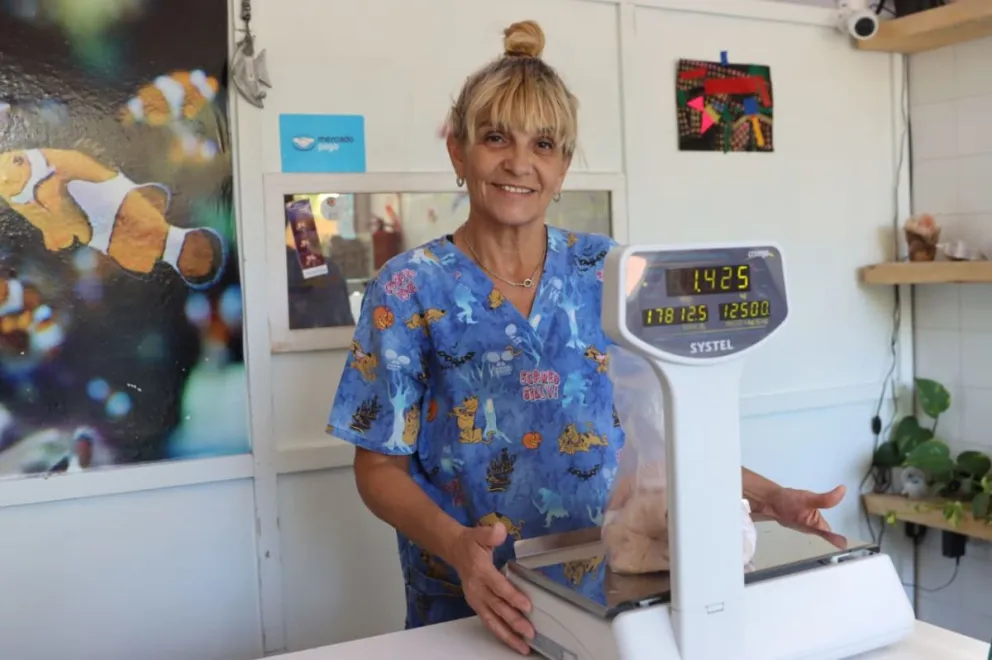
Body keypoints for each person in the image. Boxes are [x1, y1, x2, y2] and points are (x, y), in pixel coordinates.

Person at [325, 19, 846, 656]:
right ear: (459, 153)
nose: (520, 163)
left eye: (544, 144)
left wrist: (772, 496)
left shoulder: (611, 272)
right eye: (495, 139)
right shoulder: (407, 288)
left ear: (564, 165)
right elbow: (377, 466)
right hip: (475, 603)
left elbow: (659, 429)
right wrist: (460, 547)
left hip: (614, 587)